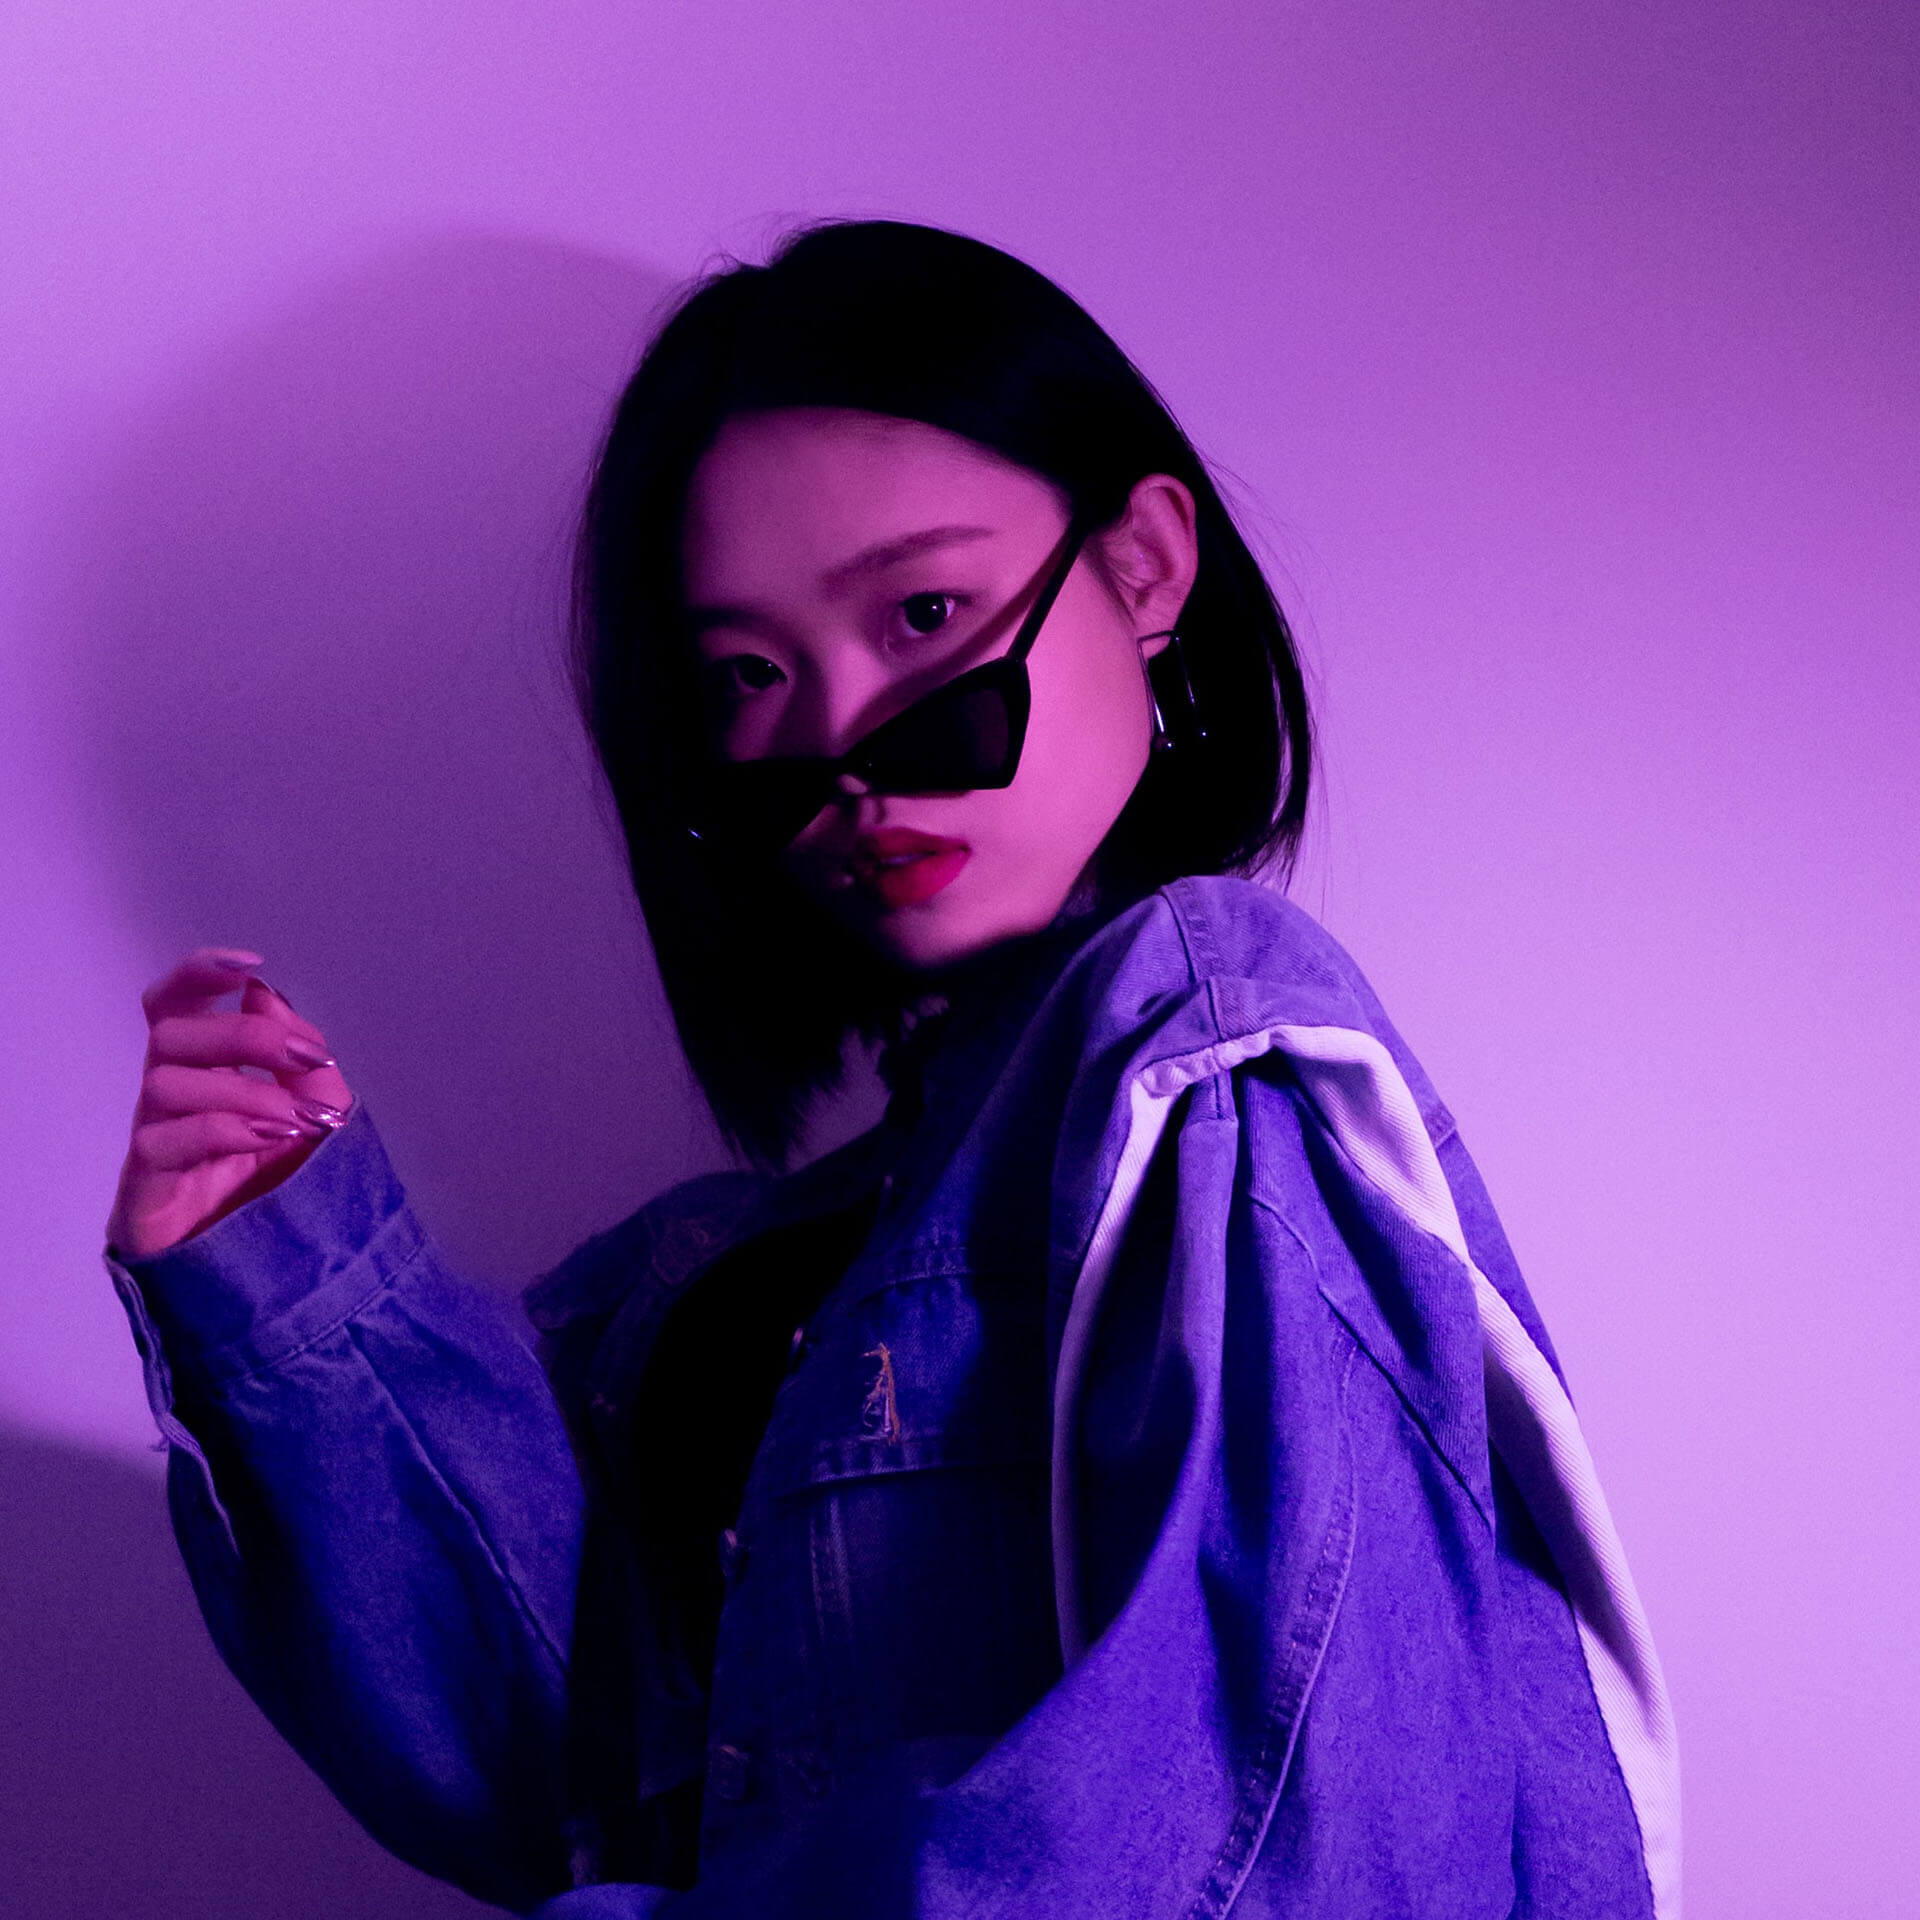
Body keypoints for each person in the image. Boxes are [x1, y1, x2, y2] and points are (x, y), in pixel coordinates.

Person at [103, 220, 1678, 1918]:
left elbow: (1277, 1835)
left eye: (924, 614)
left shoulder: (1205, 1052)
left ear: (1146, 567)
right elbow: (548, 1780)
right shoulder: (714, 1270)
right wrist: (283, 1267)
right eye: (750, 677)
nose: (845, 744)